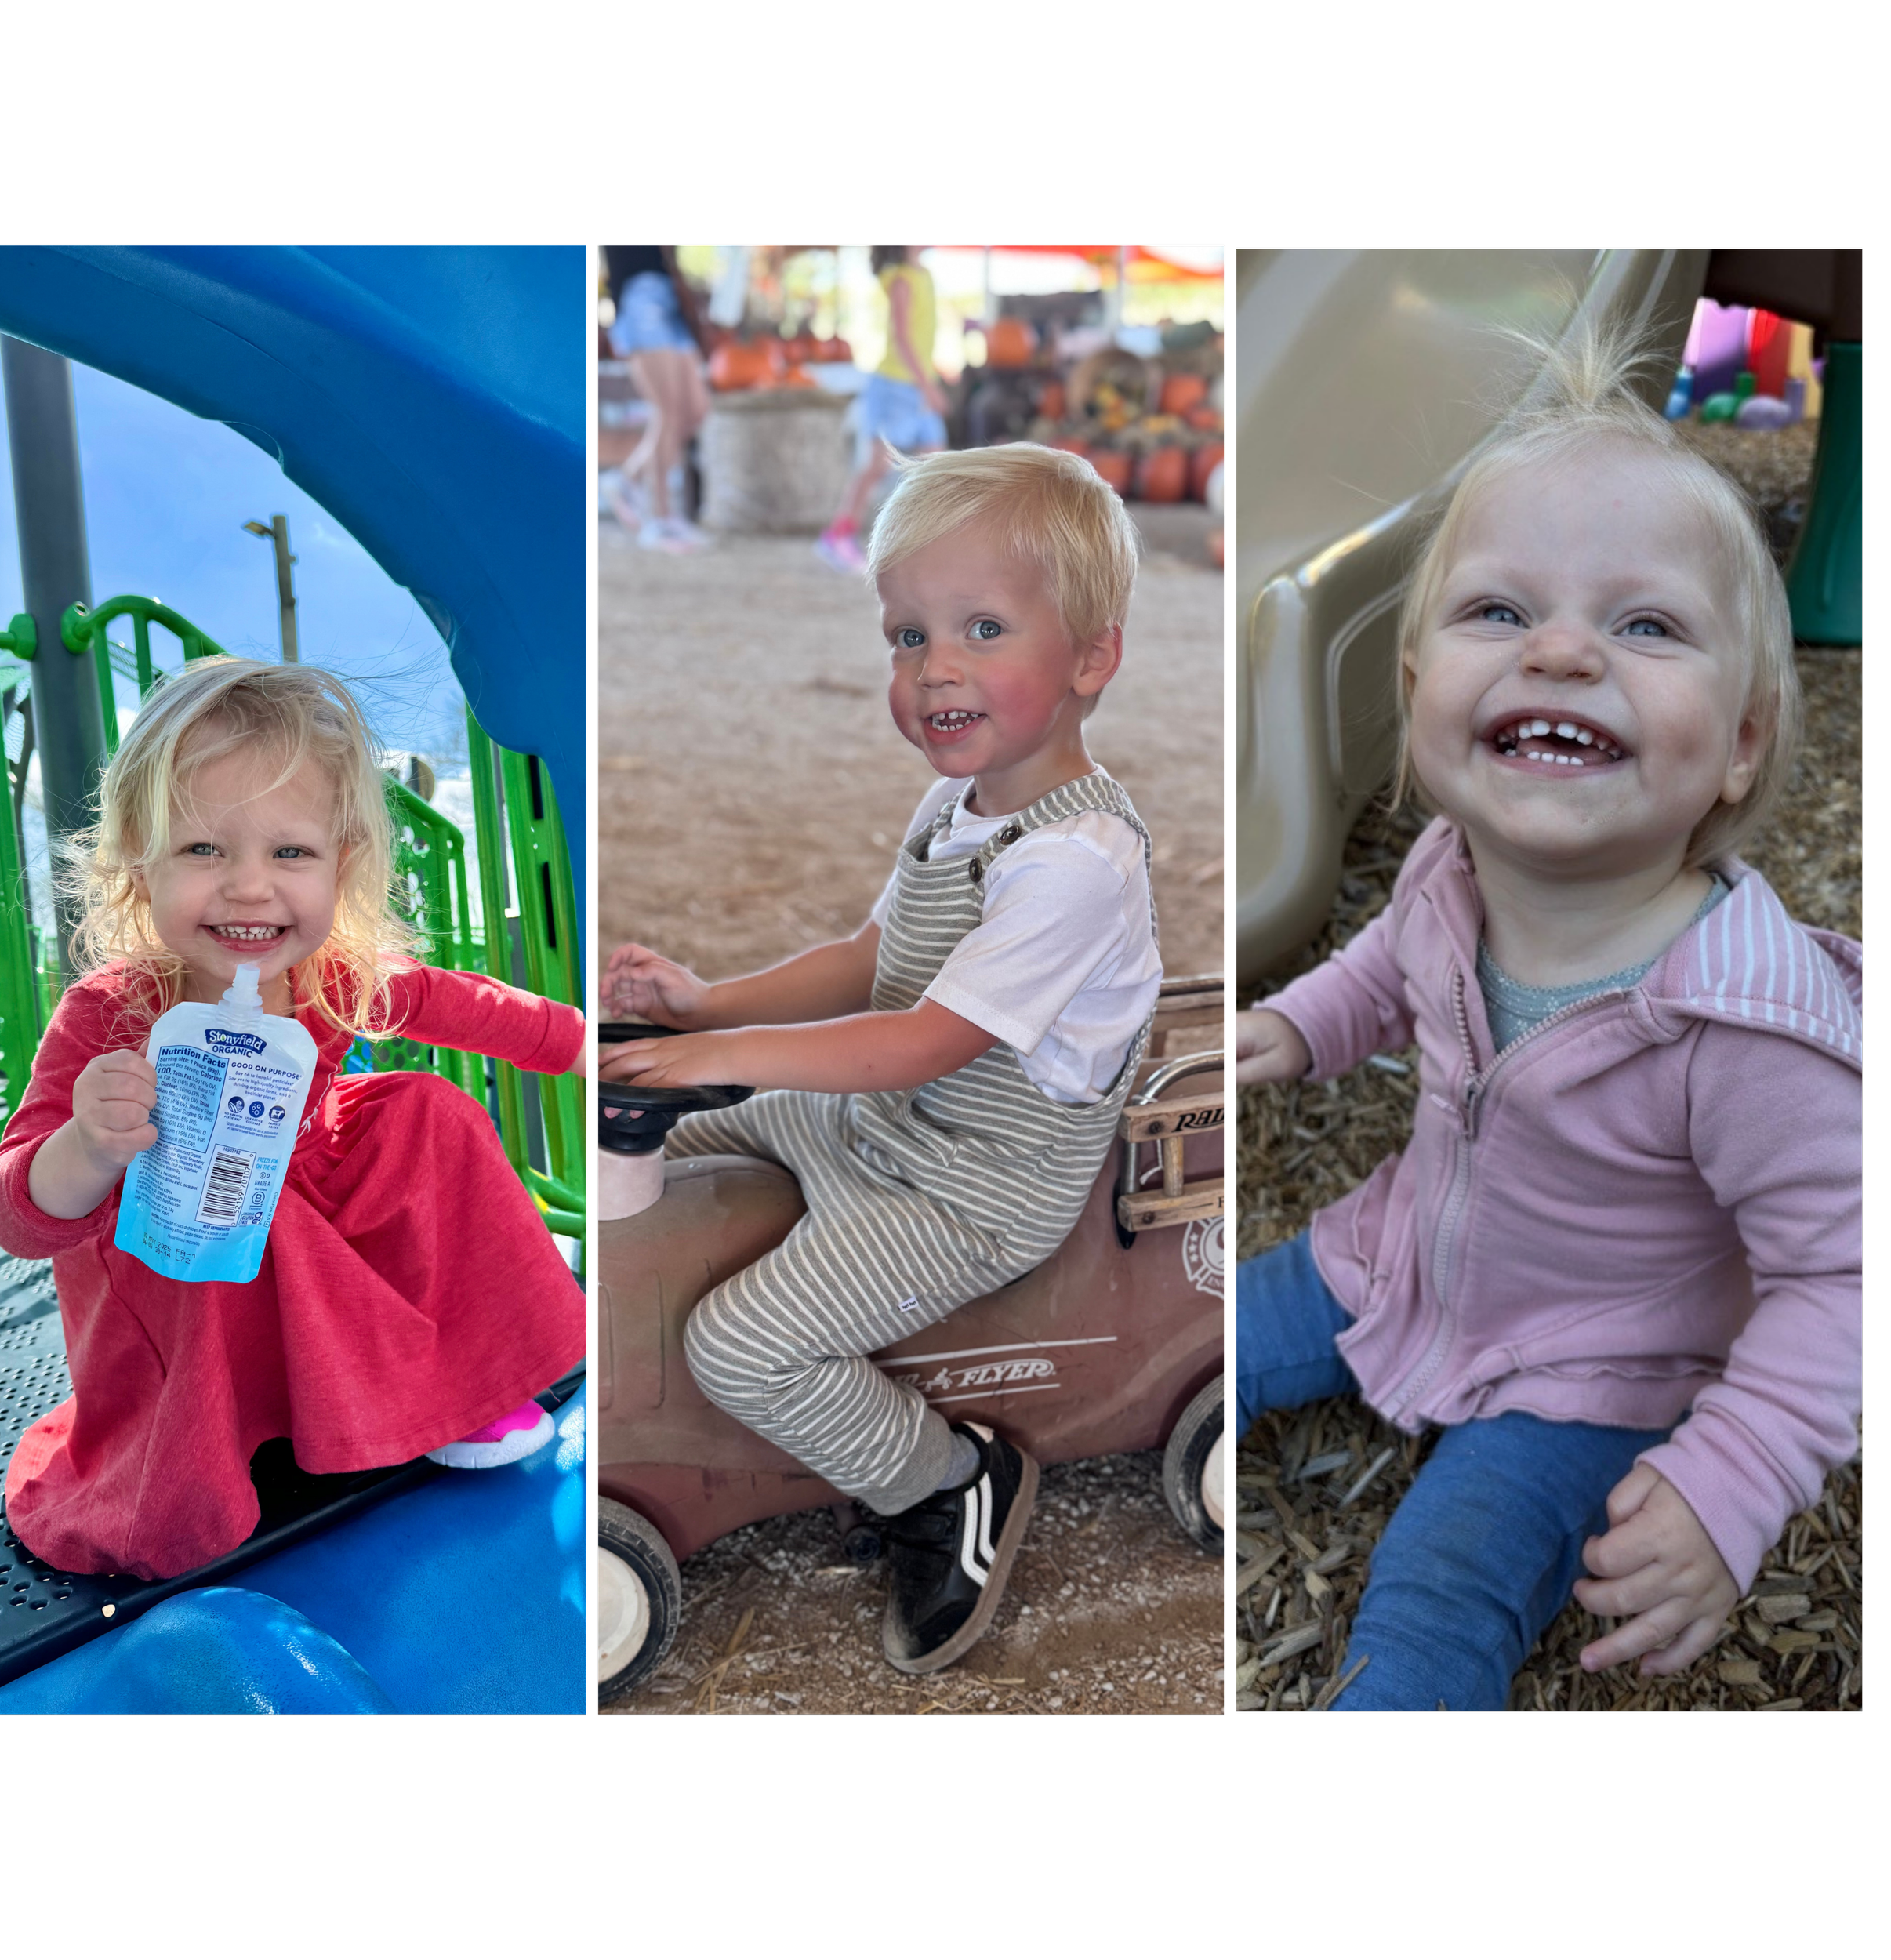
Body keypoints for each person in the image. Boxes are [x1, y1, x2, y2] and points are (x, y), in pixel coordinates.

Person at [1233, 318, 1861, 1711]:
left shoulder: (1746, 1029)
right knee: (1193, 1334)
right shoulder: (1449, 869)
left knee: (1440, 1592)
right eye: (1499, 613)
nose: (1564, 652)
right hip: (1394, 1256)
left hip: (1594, 1373)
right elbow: (1394, 967)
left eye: (1644, 626)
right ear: (1418, 696)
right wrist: (1300, 1026)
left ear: (1743, 742)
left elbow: (1840, 1280)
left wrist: (1733, 1479)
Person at [599, 443, 1158, 1673]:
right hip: (882, 1128)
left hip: (970, 1187)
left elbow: (915, 1044)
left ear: (1090, 659)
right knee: (673, 1150)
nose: (935, 666)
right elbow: (874, 956)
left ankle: (946, 1483)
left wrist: (725, 1054)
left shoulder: (1074, 863)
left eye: (981, 627)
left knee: (746, 1342)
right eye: (908, 634)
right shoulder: (960, 802)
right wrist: (703, 1010)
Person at [0, 657, 593, 1581]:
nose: (249, 888)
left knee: (428, 1111)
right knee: (238, 1215)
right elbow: (15, 1214)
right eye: (203, 850)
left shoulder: (330, 976)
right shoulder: (111, 1011)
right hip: (169, 1260)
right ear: (139, 871)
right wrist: (87, 1145)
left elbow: (465, 1004)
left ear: (339, 867)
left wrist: (590, 1044)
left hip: (297, 1193)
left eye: (289, 853)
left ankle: (457, 1384)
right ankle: (226, 1433)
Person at [816, 245, 950, 574]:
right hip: (894, 386)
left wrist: (929, 380)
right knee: (877, 465)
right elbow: (902, 338)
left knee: (936, 465)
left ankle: (926, 546)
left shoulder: (925, 276)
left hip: (917, 386)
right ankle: (838, 535)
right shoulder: (901, 280)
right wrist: (928, 386)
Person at [604, 245, 713, 555]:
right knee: (666, 413)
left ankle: (627, 478)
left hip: (670, 295)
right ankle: (661, 517)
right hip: (640, 295)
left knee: (696, 410)